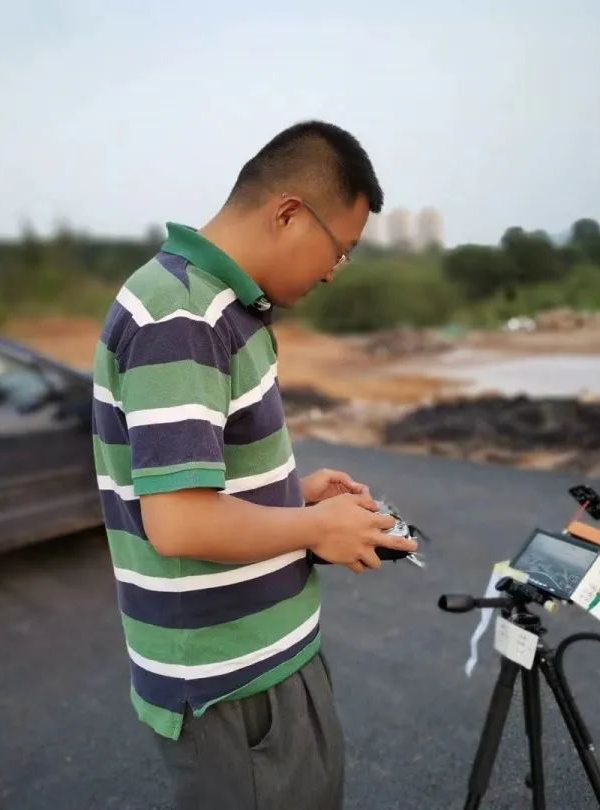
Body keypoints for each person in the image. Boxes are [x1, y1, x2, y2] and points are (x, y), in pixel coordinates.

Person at [91, 120, 417, 809]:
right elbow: (179, 523)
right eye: (341, 248)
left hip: (265, 664)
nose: (336, 270)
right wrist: (315, 528)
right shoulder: (181, 315)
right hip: (232, 688)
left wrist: (295, 496)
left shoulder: (226, 307)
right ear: (289, 213)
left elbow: (199, 483)